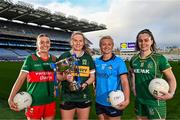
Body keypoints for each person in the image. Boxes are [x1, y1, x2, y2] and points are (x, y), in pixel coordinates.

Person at [129, 29, 177, 120]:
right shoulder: (134, 59)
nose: (143, 43)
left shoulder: (159, 58)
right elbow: (131, 73)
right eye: (140, 41)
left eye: (146, 40)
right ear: (137, 42)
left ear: (151, 41)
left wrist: (171, 93)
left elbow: (171, 78)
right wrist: (133, 87)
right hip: (139, 100)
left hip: (156, 100)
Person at [8, 34, 57, 120]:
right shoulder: (30, 59)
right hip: (34, 102)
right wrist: (11, 97)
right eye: (41, 42)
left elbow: (57, 77)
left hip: (50, 101)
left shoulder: (54, 59)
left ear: (50, 44)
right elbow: (21, 79)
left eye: (47, 42)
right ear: (37, 45)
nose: (45, 44)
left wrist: (56, 88)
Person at [57, 31, 95, 120]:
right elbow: (57, 75)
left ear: (83, 42)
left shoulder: (88, 57)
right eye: (75, 40)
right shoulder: (64, 56)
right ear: (71, 42)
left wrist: (85, 84)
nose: (78, 43)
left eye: (80, 41)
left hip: (83, 96)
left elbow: (92, 77)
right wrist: (64, 77)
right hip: (67, 96)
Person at [95, 36, 130, 120]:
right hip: (99, 100)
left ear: (112, 46)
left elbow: (124, 82)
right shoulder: (96, 61)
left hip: (114, 100)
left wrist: (127, 99)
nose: (106, 47)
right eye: (103, 44)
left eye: (109, 44)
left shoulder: (119, 61)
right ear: (100, 46)